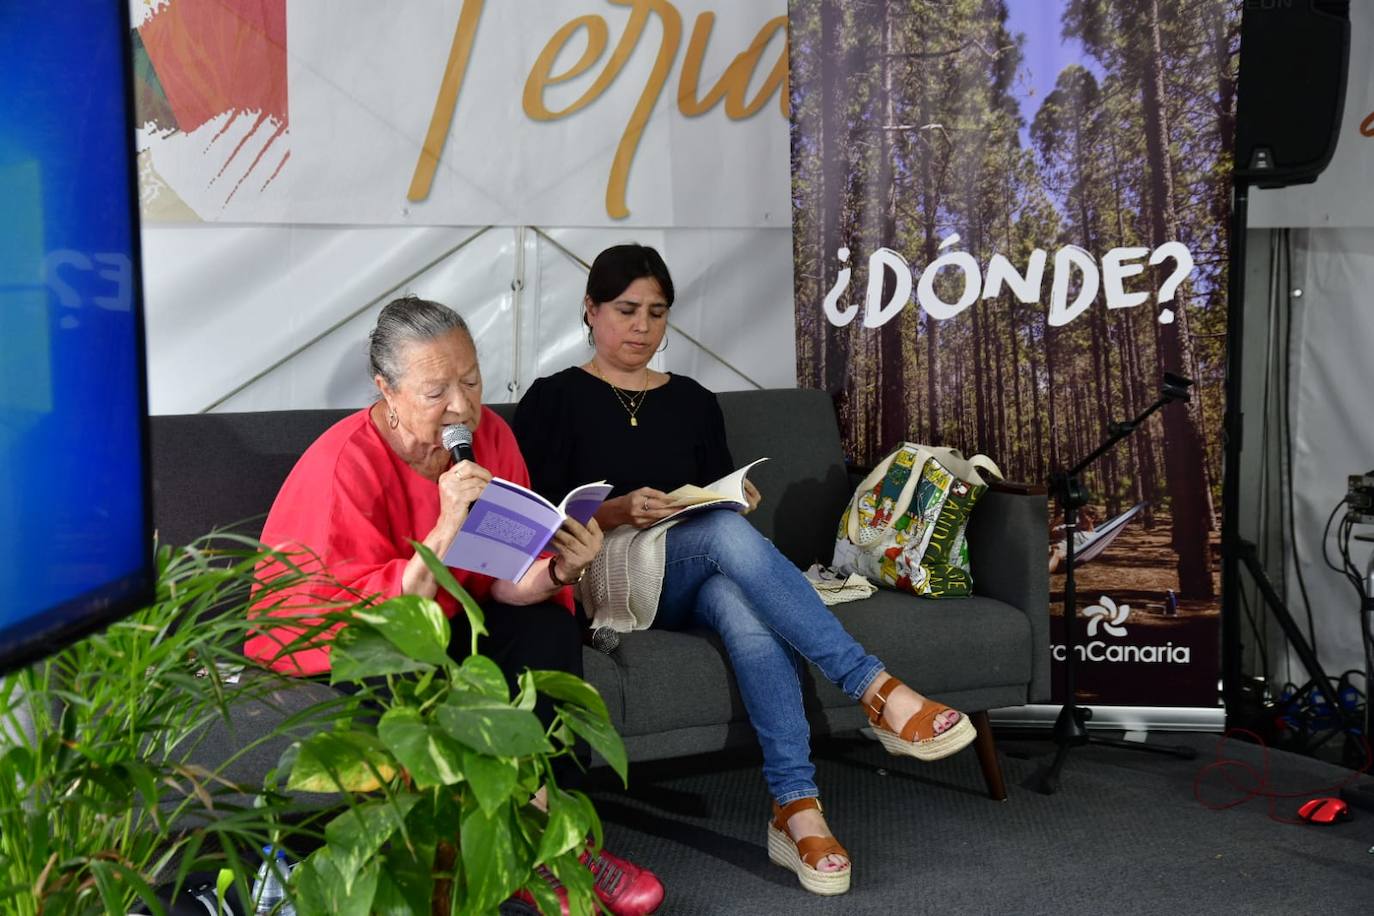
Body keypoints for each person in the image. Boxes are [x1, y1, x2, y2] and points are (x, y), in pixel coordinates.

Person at [513, 245, 977, 897]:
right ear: (590, 311)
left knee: (740, 601)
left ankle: (797, 807)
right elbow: (538, 515)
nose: (641, 326)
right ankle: (872, 688)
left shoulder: (694, 401)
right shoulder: (553, 399)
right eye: (625, 310)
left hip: (692, 569)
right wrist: (618, 511)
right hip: (603, 569)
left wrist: (732, 496)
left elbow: (713, 497)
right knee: (726, 540)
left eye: (656, 312)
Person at [245, 295, 663, 916]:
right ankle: (521, 849)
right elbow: (383, 621)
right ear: (386, 389)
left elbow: (500, 580)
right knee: (414, 661)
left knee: (547, 622)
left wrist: (558, 568)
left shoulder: (490, 436)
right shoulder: (345, 464)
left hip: (454, 611)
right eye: (436, 390)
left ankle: (550, 834)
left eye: (471, 380)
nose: (463, 406)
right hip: (359, 630)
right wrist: (443, 529)